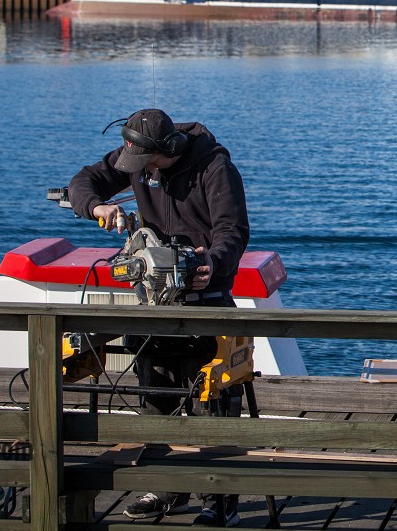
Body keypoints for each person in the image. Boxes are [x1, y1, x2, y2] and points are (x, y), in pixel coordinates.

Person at [68, 108, 248, 528]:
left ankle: (219, 499)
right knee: (155, 394)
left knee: (210, 400)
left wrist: (211, 264)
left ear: (165, 151)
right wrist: (98, 208)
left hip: (207, 299)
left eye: (146, 164)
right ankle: (166, 487)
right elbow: (83, 181)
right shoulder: (136, 155)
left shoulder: (215, 166)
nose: (139, 171)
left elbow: (234, 232)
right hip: (155, 301)